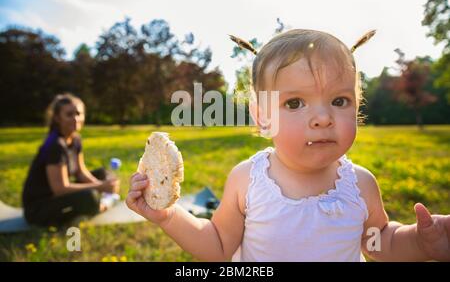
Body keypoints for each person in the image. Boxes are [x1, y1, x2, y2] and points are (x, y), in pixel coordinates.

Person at [126, 29, 450, 261]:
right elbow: (218, 244)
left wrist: (421, 243)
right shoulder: (247, 180)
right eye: (295, 104)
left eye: (339, 100)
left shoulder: (361, 184)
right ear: (263, 117)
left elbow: (381, 242)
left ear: (358, 105)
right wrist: (168, 216)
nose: (323, 117)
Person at [22, 93, 120, 227]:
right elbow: (60, 189)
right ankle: (103, 205)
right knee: (89, 196)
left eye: (78, 113)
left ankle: (98, 203)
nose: (75, 118)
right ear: (57, 118)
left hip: (58, 199)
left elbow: (80, 171)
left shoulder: (75, 139)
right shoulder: (55, 146)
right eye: (69, 114)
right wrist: (100, 187)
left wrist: (101, 184)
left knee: (102, 173)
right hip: (39, 209)